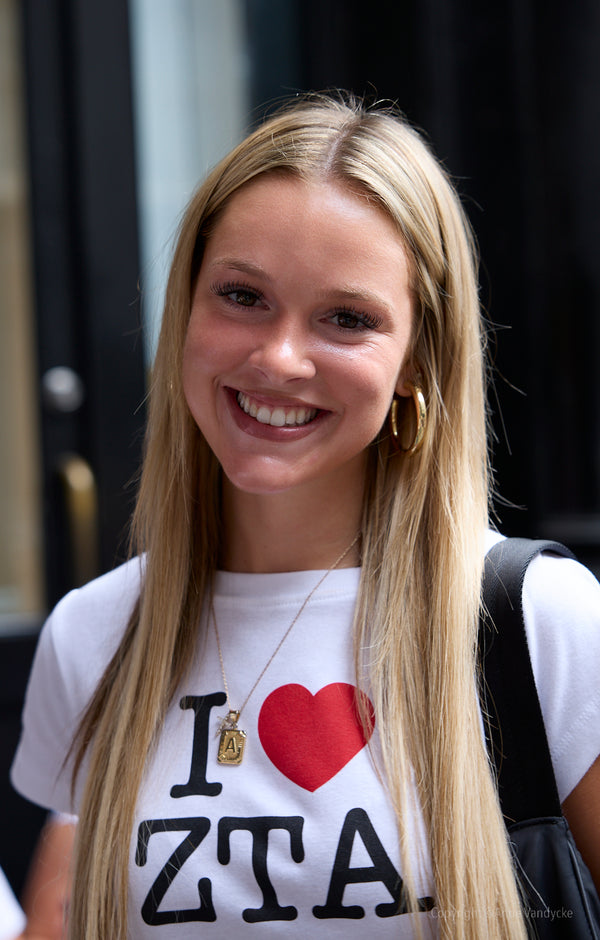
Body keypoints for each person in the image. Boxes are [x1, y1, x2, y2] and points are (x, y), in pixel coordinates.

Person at [10, 92, 600, 939]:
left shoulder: (537, 620)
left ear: (415, 362)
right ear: (185, 310)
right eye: (242, 296)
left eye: (348, 319)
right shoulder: (98, 635)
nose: (279, 357)